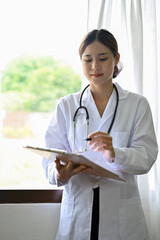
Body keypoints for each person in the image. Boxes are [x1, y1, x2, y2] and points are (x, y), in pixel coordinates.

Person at [42, 29, 158, 240]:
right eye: (88, 60)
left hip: (121, 218)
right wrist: (60, 174)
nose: (95, 66)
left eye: (102, 58)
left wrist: (115, 154)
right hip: (77, 213)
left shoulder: (137, 105)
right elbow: (49, 159)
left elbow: (146, 157)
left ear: (116, 59)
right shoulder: (66, 105)